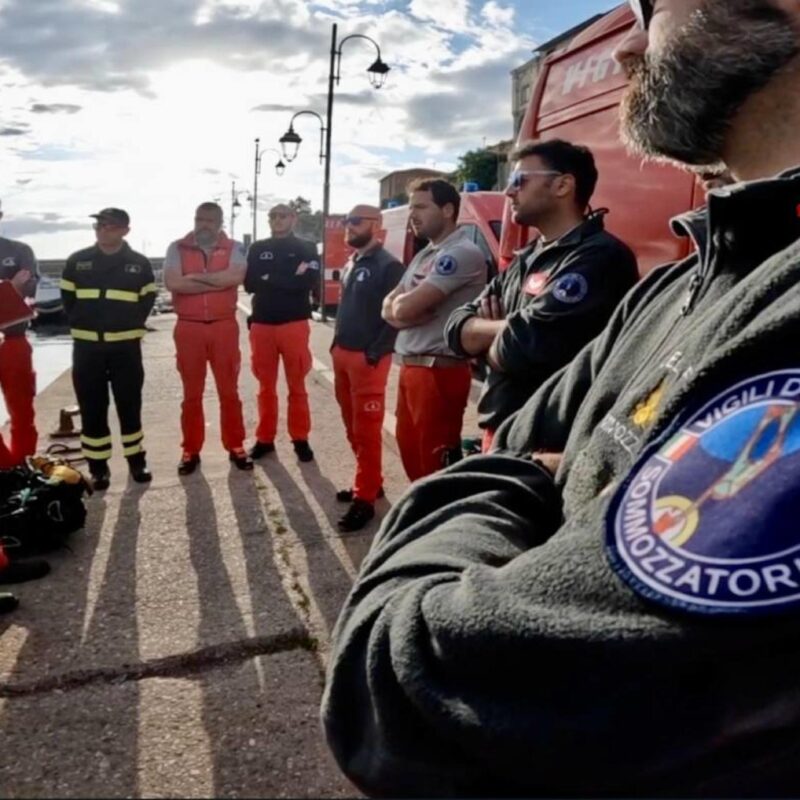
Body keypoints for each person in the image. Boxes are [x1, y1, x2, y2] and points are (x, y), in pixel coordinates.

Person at [322, 0, 800, 795]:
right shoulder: (689, 276)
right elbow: (501, 399)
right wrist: (541, 473)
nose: (629, 48)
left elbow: (402, 695)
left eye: (653, 6)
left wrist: (506, 483)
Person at [446, 140, 638, 451]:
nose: (509, 191)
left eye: (519, 180)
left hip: (550, 443)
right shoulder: (526, 257)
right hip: (503, 430)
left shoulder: (599, 257)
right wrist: (506, 331)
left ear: (563, 185)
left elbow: (524, 345)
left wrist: (488, 342)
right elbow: (454, 327)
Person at [382, 179, 486, 480]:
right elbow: (389, 305)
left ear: (448, 209)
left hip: (437, 371)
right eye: (411, 206)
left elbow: (401, 307)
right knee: (412, 458)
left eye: (420, 207)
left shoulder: (460, 253)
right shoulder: (426, 253)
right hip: (413, 369)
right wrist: (403, 310)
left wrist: (401, 310)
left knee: (433, 467)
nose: (412, 214)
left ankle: (432, 523)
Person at [60, 208, 156, 490]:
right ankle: (98, 467)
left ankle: (136, 460)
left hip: (125, 348)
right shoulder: (78, 261)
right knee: (92, 407)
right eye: (99, 226)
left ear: (125, 230)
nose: (103, 230)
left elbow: (147, 298)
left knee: (129, 405)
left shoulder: (138, 264)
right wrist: (82, 322)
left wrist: (129, 324)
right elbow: (68, 298)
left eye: (110, 226)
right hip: (88, 348)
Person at [330, 205, 405, 532]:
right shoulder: (353, 260)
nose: (348, 225)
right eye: (348, 220)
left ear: (375, 225)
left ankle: (365, 500)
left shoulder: (388, 266)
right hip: (343, 355)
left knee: (367, 429)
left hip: (368, 360)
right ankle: (370, 481)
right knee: (350, 425)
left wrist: (375, 352)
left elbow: (396, 317)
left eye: (355, 221)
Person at [163, 202, 251, 475]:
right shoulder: (176, 248)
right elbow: (173, 283)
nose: (204, 225)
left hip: (224, 326)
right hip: (188, 328)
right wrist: (218, 280)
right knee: (192, 393)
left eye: (210, 221)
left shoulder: (235, 247)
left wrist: (196, 278)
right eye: (199, 219)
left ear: (220, 222)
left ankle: (235, 445)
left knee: (229, 391)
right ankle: (190, 449)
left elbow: (236, 276)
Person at [245, 203, 319, 463]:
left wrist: (269, 278)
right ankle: (265, 439)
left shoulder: (307, 248)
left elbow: (307, 282)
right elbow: (250, 283)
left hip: (294, 324)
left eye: (282, 216)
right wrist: (288, 277)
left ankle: (300, 438)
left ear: (293, 218)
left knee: (297, 386)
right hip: (262, 324)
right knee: (265, 387)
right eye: (273, 216)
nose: (277, 220)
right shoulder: (257, 248)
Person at [0, 199, 39, 465]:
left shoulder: (20, 250)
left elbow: (30, 289)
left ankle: (23, 465)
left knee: (22, 409)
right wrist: (9, 286)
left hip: (13, 341)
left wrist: (13, 289)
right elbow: (16, 291)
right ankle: (3, 466)